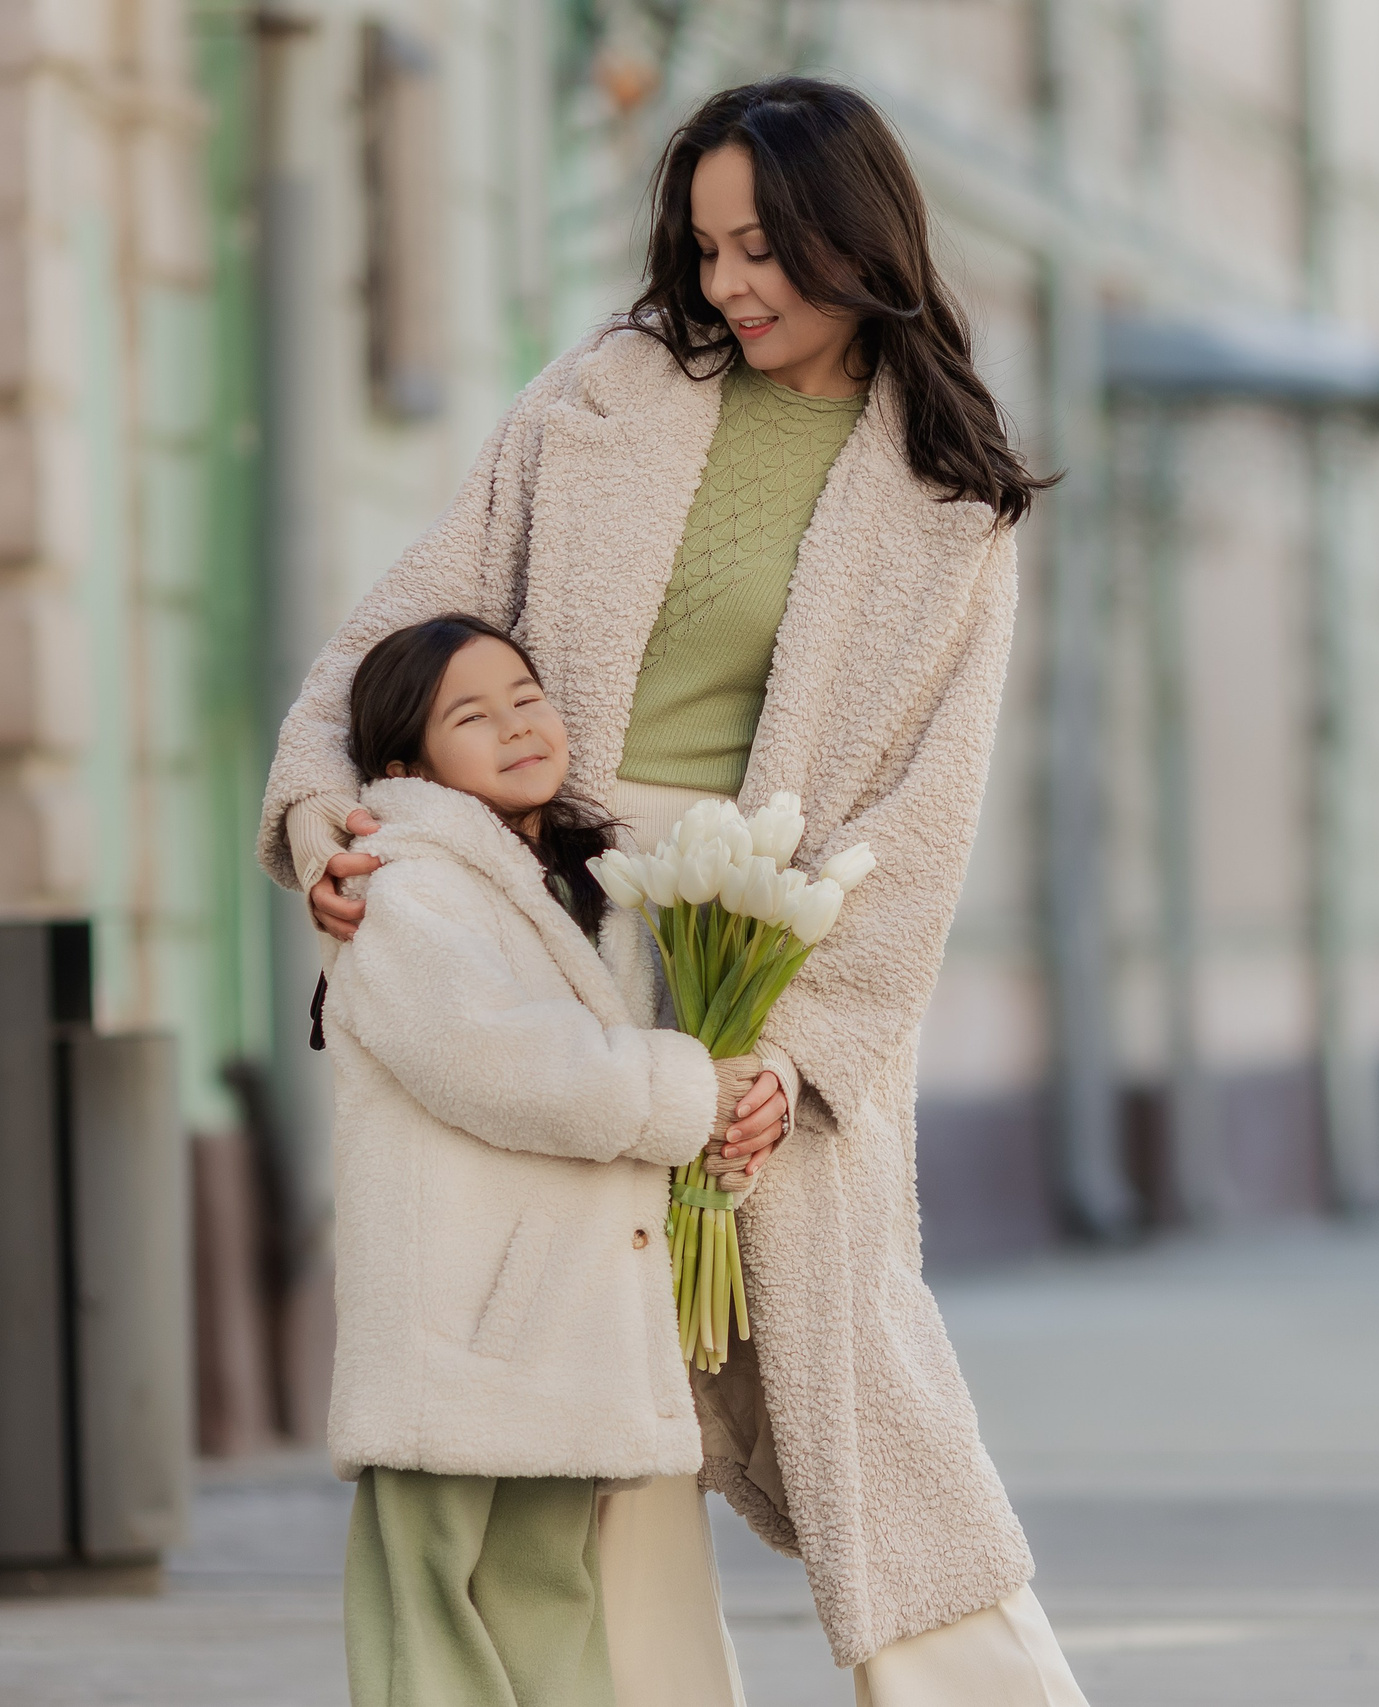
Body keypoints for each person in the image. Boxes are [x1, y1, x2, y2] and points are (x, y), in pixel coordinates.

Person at [260, 76, 1088, 1707]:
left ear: (859, 236)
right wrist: (319, 809)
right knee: (607, 1364)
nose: (730, 287)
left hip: (768, 955)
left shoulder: (948, 500)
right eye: (707, 250)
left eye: (765, 247)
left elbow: (922, 821)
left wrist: (796, 1057)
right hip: (546, 919)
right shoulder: (606, 397)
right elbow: (398, 625)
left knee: (863, 1389)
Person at [324, 615, 765, 1707]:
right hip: (455, 1330)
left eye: (526, 694)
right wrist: (686, 1090)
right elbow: (506, 1063)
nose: (518, 725)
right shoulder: (406, 888)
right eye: (471, 716)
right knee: (427, 1615)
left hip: (553, 1327)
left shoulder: (579, 881)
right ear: (405, 766)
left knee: (547, 1596)